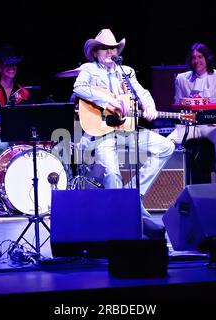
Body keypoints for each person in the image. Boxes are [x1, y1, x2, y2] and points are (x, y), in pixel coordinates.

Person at [73, 29, 175, 238]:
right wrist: (109, 102)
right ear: (95, 53)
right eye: (105, 49)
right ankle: (117, 223)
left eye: (113, 48)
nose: (110, 52)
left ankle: (133, 196)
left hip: (126, 130)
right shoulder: (89, 69)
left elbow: (141, 92)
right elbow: (79, 87)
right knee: (112, 173)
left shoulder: (126, 71)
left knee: (166, 147)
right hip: (102, 132)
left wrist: (149, 106)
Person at [167, 43, 216, 183]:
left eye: (200, 57)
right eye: (193, 57)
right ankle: (174, 185)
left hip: (213, 125)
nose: (196, 61)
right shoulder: (182, 79)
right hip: (190, 125)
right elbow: (177, 106)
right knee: (168, 143)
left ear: (207, 58)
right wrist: (188, 103)